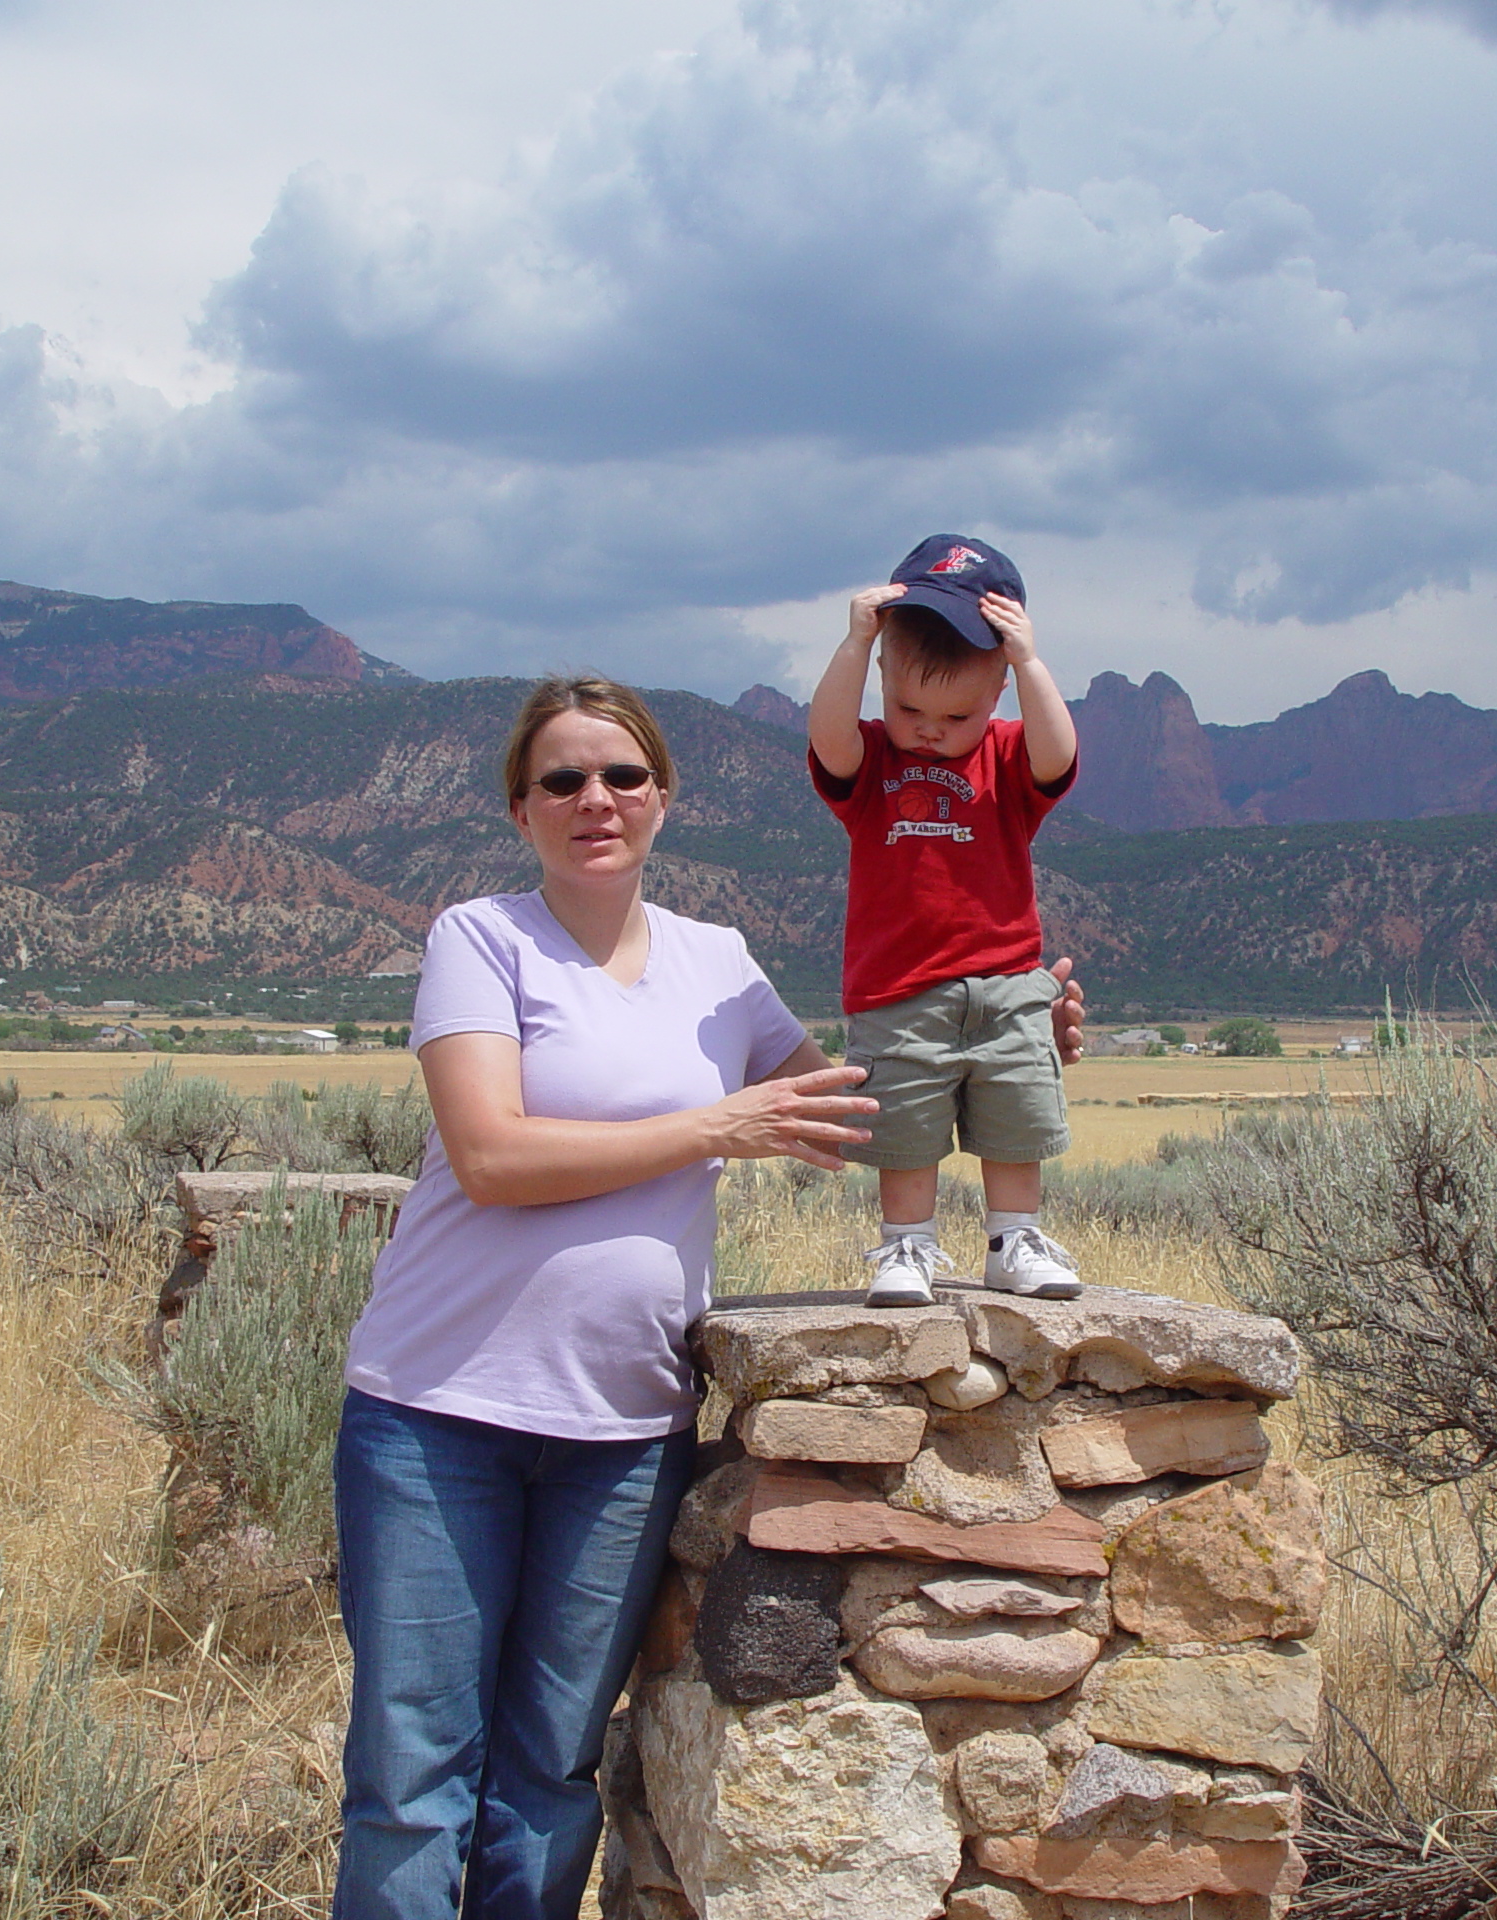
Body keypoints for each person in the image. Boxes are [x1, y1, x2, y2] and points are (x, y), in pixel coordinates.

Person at [330, 674, 1083, 1920]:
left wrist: (1001, 1042)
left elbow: (850, 1112)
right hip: (436, 1418)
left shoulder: (715, 963)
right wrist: (711, 1128)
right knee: (415, 1781)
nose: (595, 800)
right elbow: (492, 1157)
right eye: (562, 779)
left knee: (550, 1773)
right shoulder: (480, 937)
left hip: (620, 1435)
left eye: (622, 776)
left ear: (664, 798)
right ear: (520, 808)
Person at [808, 534, 1082, 1308]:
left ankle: (1014, 1238)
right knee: (908, 1129)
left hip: (1006, 987)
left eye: (956, 713)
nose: (929, 729)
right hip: (900, 992)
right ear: (884, 684)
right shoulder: (874, 767)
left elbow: (1058, 755)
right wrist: (856, 643)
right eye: (907, 708)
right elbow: (827, 736)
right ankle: (905, 1247)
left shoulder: (1004, 758)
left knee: (1013, 1116)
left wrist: (1030, 662)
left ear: (996, 692)